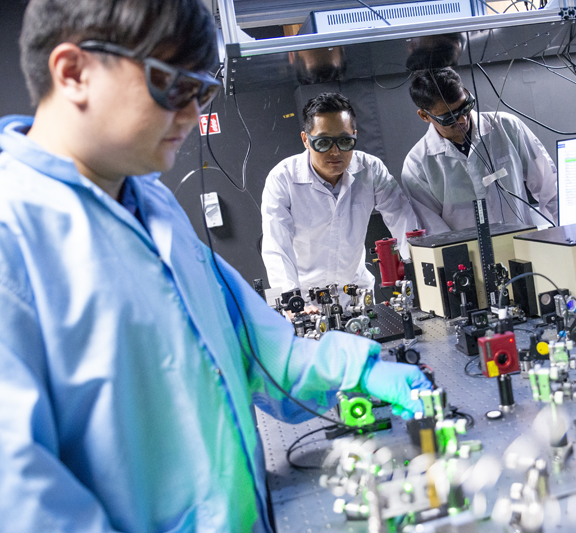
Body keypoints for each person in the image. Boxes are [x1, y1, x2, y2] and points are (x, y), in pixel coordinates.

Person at [0, 1, 430, 532]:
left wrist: (361, 374)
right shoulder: (12, 234)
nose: (190, 114)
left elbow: (265, 355)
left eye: (200, 92)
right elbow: (21, 498)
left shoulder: (153, 209)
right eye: (170, 83)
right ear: (74, 72)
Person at [261, 92, 418, 301]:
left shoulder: (370, 169)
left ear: (354, 135)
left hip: (356, 292)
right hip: (304, 296)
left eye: (344, 141)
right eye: (323, 143)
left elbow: (403, 218)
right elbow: (276, 246)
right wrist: (292, 301)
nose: (335, 152)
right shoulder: (282, 178)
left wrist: (418, 271)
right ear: (306, 140)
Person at [401, 67, 558, 235]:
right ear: (424, 116)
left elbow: (549, 187)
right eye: (450, 117)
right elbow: (434, 229)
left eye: (465, 107)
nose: (463, 119)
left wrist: (561, 235)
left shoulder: (507, 127)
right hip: (468, 258)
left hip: (524, 247)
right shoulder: (417, 165)